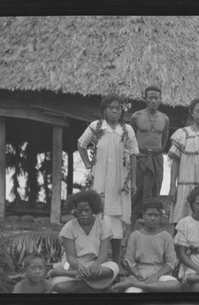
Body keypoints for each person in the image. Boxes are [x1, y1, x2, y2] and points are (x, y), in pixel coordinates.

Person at [78, 93, 139, 266]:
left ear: (122, 111)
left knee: (116, 220)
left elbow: (134, 154)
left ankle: (116, 261)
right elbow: (81, 144)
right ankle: (97, 258)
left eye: (118, 108)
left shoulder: (127, 130)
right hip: (99, 180)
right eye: (111, 108)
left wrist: (133, 181)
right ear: (104, 109)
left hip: (120, 182)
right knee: (99, 215)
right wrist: (88, 164)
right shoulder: (96, 126)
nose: (114, 111)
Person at [47, 190, 119, 293]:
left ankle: (59, 273)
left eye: (86, 210)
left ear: (93, 209)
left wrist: (97, 263)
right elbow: (70, 257)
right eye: (79, 211)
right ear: (75, 210)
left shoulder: (103, 226)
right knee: (57, 285)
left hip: (94, 265)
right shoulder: (69, 227)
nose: (83, 214)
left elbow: (103, 255)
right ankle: (96, 287)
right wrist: (79, 266)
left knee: (114, 267)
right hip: (72, 266)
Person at [111, 198, 180, 293]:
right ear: (143, 215)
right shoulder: (135, 236)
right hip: (139, 275)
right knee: (132, 292)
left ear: (160, 217)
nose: (152, 218)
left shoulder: (166, 236)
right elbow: (129, 261)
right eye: (149, 215)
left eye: (156, 215)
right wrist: (137, 273)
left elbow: (171, 263)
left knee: (175, 285)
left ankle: (136, 285)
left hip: (160, 275)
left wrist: (156, 276)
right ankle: (140, 285)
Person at [130, 85, 169, 226]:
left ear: (160, 100)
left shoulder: (164, 119)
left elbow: (164, 142)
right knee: (137, 192)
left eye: (156, 98)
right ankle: (133, 228)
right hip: (141, 158)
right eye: (150, 97)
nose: (153, 101)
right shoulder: (136, 117)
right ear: (145, 99)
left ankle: (152, 228)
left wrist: (154, 153)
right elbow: (131, 140)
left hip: (157, 159)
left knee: (155, 191)